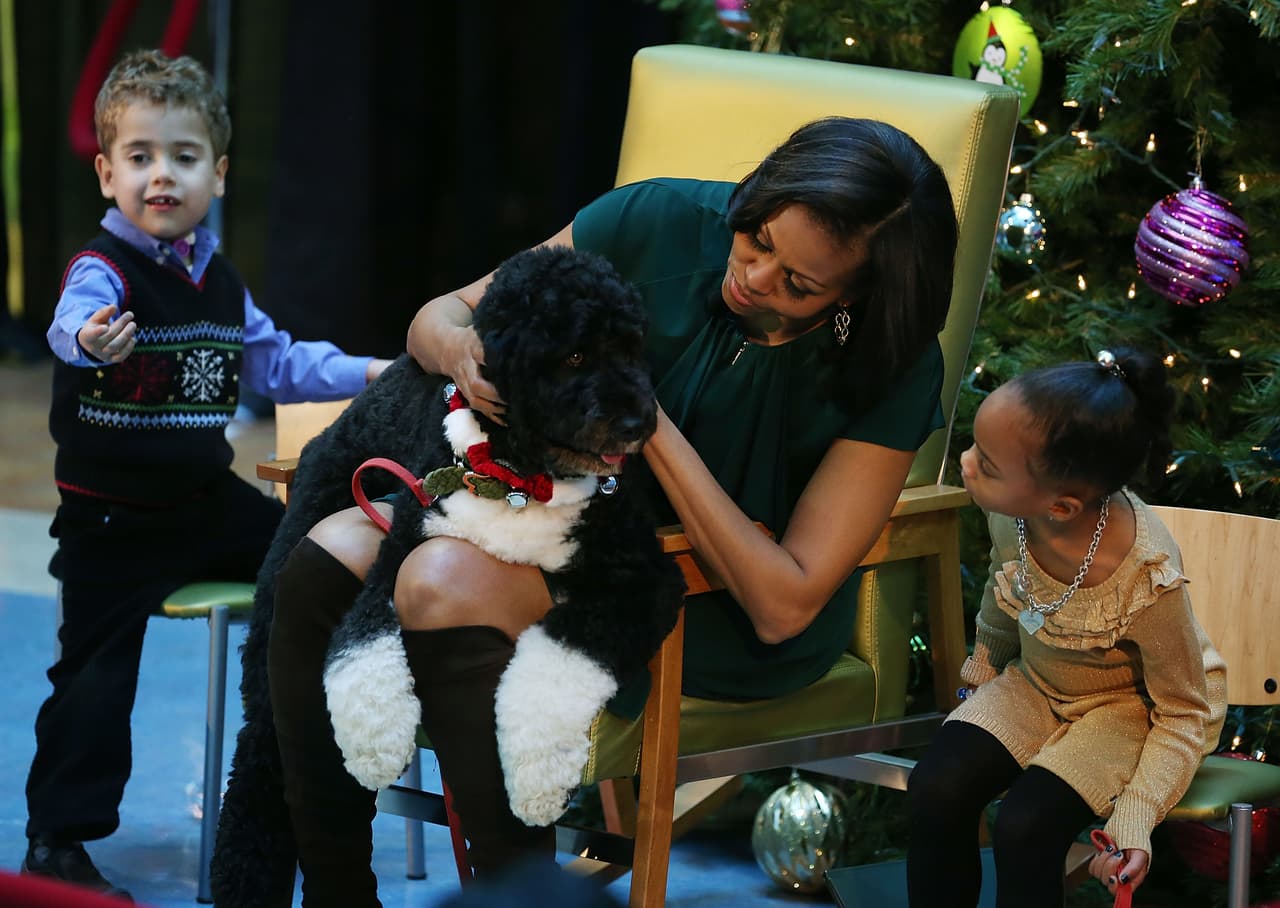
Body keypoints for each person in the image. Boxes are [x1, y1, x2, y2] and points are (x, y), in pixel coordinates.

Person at [266, 116, 959, 906]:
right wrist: (469, 353)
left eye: (799, 283)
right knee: (328, 551)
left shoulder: (891, 364)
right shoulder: (656, 220)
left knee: (441, 579)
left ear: (859, 297)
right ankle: (334, 893)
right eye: (757, 237)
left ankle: (515, 898)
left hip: (700, 604)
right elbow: (439, 317)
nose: (757, 277)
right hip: (557, 522)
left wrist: (643, 414)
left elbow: (783, 600)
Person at [24, 49, 393, 900]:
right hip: (111, 521)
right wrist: (88, 340)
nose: (162, 175)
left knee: (310, 567)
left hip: (200, 503)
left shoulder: (218, 281)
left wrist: (371, 371)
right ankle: (57, 842)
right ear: (107, 171)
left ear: (217, 175)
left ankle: (301, 774)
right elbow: (69, 320)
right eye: (142, 156)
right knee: (94, 684)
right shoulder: (102, 272)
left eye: (184, 158)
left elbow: (282, 364)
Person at [905, 348, 1227, 906]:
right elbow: (1006, 587)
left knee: (1025, 825)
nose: (966, 462)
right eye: (976, 446)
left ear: (1062, 506)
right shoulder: (1012, 512)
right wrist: (983, 664)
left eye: (988, 462)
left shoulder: (1148, 578)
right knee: (936, 785)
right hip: (1038, 684)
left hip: (1129, 711)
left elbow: (1184, 712)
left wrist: (1135, 820)